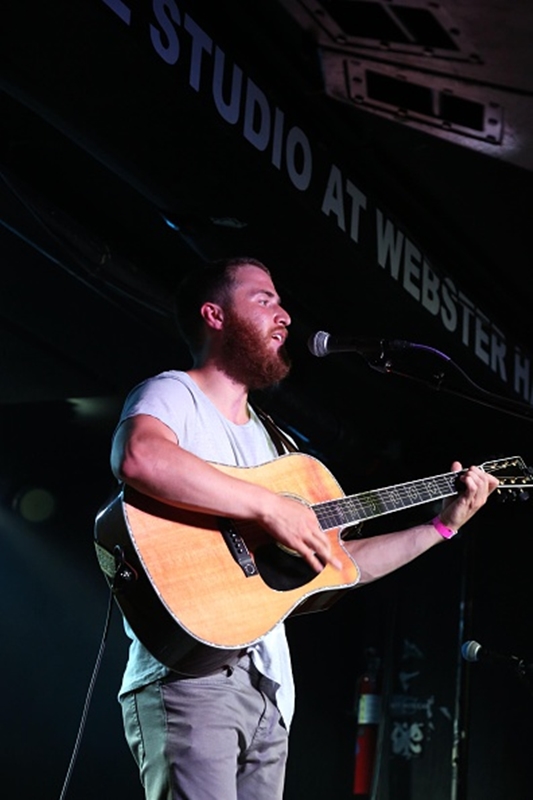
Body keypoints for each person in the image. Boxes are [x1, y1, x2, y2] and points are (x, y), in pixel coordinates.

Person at [110, 256, 498, 800]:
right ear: (214, 315)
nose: (285, 314)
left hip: (269, 690)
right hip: (192, 675)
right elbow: (140, 457)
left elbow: (343, 566)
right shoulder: (176, 393)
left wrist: (442, 527)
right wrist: (269, 510)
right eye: (264, 299)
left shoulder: (276, 446)